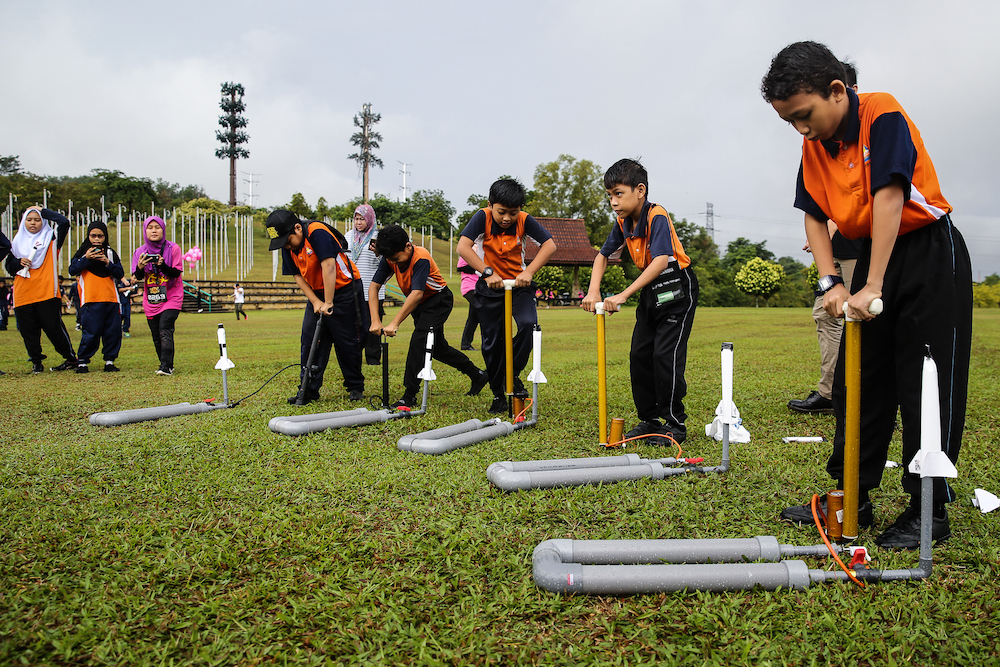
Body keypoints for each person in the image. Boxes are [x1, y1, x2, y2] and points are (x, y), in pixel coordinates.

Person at [762, 41, 972, 549]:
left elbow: (890, 196)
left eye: (805, 115)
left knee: (925, 378)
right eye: (790, 121)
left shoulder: (883, 113)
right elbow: (814, 214)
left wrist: (872, 283)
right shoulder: (814, 144)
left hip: (925, 251)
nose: (802, 129)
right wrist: (831, 280)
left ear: (837, 91)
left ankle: (930, 507)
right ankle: (850, 493)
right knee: (861, 380)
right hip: (873, 256)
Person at [582, 158, 699, 445]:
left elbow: (659, 261)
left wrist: (622, 295)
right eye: (609, 195)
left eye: (618, 193)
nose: (613, 201)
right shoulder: (622, 222)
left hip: (676, 288)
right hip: (650, 292)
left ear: (640, 190)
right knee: (639, 355)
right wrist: (593, 291)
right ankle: (649, 420)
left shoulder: (656, 215)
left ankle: (674, 425)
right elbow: (601, 255)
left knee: (664, 356)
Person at [788, 61, 864, 415]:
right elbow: (816, 204)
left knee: (864, 318)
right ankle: (831, 391)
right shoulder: (816, 145)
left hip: (859, 249)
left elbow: (868, 196)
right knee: (825, 314)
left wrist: (834, 223)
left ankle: (868, 395)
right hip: (833, 254)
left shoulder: (869, 134)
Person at [457, 178, 556, 414]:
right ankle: (499, 394)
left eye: (513, 212)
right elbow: (463, 247)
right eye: (502, 212)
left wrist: (529, 272)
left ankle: (511, 375)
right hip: (490, 288)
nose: (507, 218)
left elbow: (549, 245)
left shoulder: (524, 220)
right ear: (491, 205)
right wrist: (487, 272)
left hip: (519, 287)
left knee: (528, 326)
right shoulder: (482, 217)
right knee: (492, 344)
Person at [369, 225, 489, 408]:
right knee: (438, 348)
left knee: (420, 340)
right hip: (421, 305)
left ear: (408, 246)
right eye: (391, 259)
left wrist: (394, 323)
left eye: (397, 258)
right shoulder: (390, 258)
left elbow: (417, 293)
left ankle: (409, 394)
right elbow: (374, 287)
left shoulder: (420, 257)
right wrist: (375, 320)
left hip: (438, 300)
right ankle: (478, 375)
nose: (395, 263)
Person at [267, 209, 366, 405]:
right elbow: (297, 275)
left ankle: (355, 386)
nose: (286, 246)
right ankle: (308, 389)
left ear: (297, 228)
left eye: (288, 240)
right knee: (310, 339)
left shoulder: (316, 232)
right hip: (318, 292)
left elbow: (328, 265)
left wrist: (328, 302)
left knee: (346, 341)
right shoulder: (287, 245)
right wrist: (315, 301)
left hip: (345, 288)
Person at [4, 207, 78, 373]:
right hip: (23, 293)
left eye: (37, 219)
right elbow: (9, 267)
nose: (33, 223)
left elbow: (64, 222)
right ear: (23, 222)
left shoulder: (50, 239)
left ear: (43, 221)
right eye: (29, 219)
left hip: (46, 292)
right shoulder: (16, 243)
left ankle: (70, 358)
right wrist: (18, 263)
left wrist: (42, 211)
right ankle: (36, 362)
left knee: (53, 328)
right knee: (28, 330)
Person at [68, 220, 124, 373]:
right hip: (91, 299)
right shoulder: (82, 253)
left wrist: (107, 262)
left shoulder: (111, 253)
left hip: (111, 299)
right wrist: (86, 258)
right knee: (90, 332)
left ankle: (109, 361)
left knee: (112, 332)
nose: (97, 239)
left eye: (100, 236)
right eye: (93, 236)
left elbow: (120, 273)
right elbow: (72, 270)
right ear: (88, 236)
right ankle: (83, 362)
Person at [131, 215, 184, 376]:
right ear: (145, 230)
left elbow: (176, 272)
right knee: (156, 335)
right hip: (152, 299)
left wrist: (163, 265)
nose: (154, 230)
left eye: (157, 227)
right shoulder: (139, 252)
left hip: (172, 296)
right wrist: (140, 267)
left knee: (165, 329)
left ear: (163, 229)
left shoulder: (173, 248)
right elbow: (137, 277)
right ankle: (166, 363)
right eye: (150, 227)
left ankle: (166, 366)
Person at [346, 204, 384, 365]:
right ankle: (354, 357)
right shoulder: (348, 237)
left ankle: (373, 358)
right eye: (356, 219)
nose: (359, 222)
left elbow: (385, 264)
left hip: (374, 291)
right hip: (354, 289)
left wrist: (378, 253)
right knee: (354, 327)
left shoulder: (377, 237)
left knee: (373, 326)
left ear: (369, 219)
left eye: (362, 219)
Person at [456, 255, 480, 350]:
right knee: (483, 312)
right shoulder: (467, 252)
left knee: (473, 318)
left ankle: (465, 344)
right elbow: (461, 267)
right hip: (469, 287)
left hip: (480, 289)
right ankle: (491, 341)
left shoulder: (484, 251)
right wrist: (479, 267)